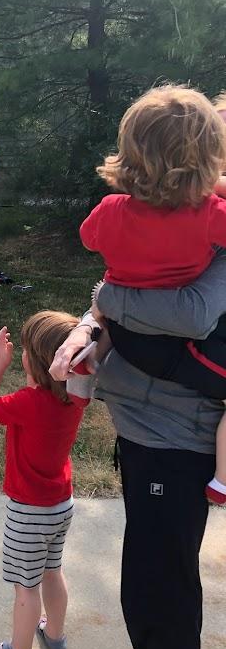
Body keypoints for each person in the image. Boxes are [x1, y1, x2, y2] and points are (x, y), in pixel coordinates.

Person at [49, 251, 226, 649]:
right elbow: (122, 296)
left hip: (175, 447)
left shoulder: (216, 230)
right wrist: (88, 328)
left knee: (160, 597)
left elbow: (190, 314)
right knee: (154, 587)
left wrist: (105, 298)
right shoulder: (180, 225)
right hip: (149, 436)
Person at [79, 85, 226, 505]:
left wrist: (107, 297)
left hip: (130, 332)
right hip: (171, 354)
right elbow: (196, 316)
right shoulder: (209, 214)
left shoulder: (111, 208)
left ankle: (87, 363)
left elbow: (89, 239)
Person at [0, 312, 88, 649]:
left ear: (34, 362)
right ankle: (55, 635)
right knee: (53, 571)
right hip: (60, 506)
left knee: (26, 587)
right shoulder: (74, 400)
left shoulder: (27, 402)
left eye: (23, 350)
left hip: (29, 514)